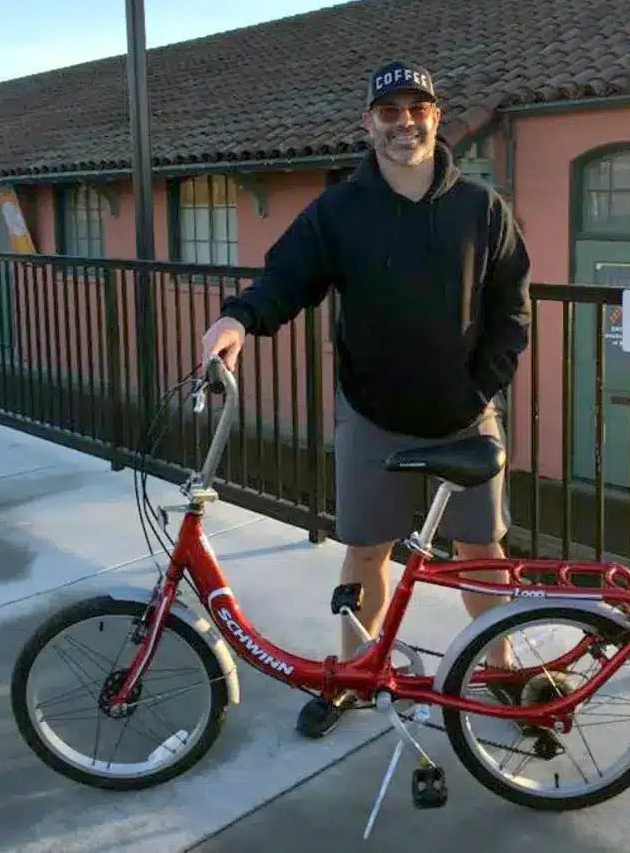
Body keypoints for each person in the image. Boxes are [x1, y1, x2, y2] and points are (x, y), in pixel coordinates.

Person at [202, 59, 531, 739]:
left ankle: (505, 671)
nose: (404, 122)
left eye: (418, 109)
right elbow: (285, 279)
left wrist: (482, 384)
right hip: (373, 416)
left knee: (482, 552)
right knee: (366, 554)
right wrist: (238, 318)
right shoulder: (340, 211)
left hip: (465, 416)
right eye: (390, 111)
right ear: (369, 123)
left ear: (437, 119)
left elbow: (512, 308)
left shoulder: (481, 208)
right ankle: (355, 675)